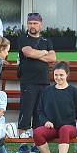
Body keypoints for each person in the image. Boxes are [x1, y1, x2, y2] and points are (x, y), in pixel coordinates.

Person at [33, 61, 77, 153]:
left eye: (61, 75)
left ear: (67, 74)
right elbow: (40, 111)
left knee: (64, 129)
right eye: (56, 75)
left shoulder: (74, 92)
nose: (58, 77)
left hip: (69, 128)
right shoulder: (47, 91)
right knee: (37, 132)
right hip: (52, 128)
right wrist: (46, 121)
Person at [17, 12, 56, 140]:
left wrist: (38, 54)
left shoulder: (47, 40)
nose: (32, 26)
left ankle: (37, 142)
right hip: (28, 82)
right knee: (26, 112)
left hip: (44, 82)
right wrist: (44, 53)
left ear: (41, 24)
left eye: (35, 23)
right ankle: (22, 143)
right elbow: (28, 52)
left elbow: (52, 58)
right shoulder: (23, 38)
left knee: (40, 113)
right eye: (30, 23)